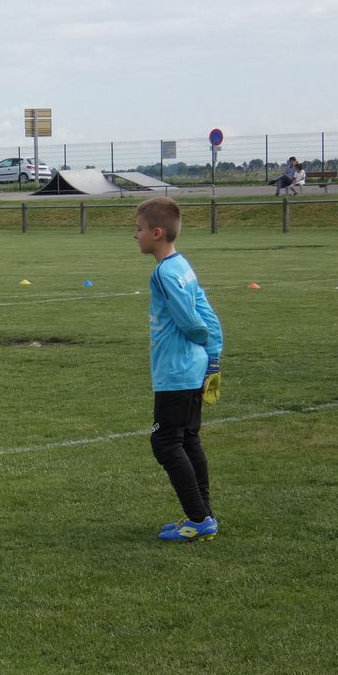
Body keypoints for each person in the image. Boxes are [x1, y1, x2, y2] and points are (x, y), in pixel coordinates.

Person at [133, 197, 223, 542]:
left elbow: (191, 318)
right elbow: (207, 310)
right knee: (187, 439)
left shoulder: (164, 272)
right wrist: (212, 355)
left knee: (165, 442)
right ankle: (204, 514)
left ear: (157, 233)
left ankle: (198, 518)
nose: (135, 235)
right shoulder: (182, 265)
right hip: (192, 367)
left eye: (139, 229)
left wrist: (201, 338)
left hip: (177, 370)